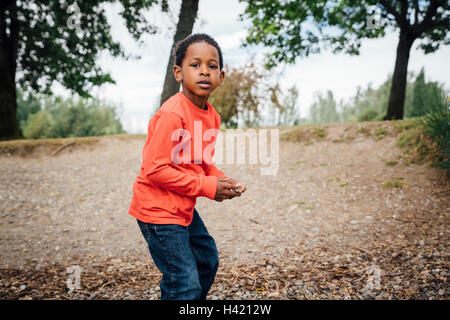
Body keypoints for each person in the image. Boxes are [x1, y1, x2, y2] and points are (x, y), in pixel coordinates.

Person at [128, 33, 246, 300]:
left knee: (207, 261)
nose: (204, 71)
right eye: (195, 65)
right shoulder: (172, 114)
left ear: (221, 77)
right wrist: (207, 187)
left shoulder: (211, 115)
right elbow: (155, 170)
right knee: (183, 282)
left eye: (212, 66)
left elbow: (200, 163)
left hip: (181, 207)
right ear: (178, 72)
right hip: (157, 211)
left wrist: (222, 181)